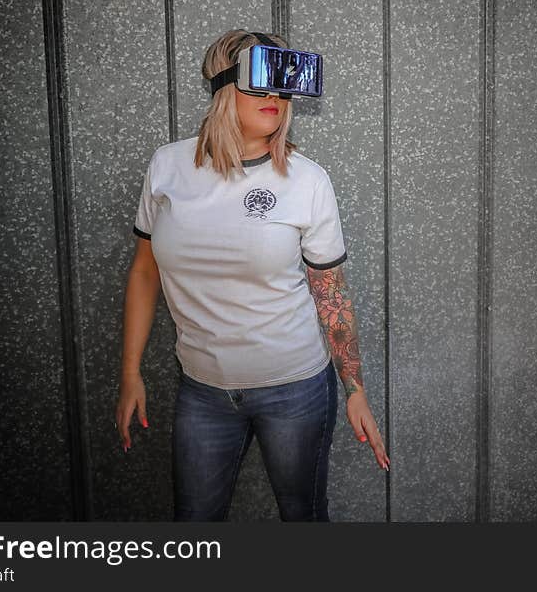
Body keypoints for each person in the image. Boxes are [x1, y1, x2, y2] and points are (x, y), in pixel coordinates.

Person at [115, 29, 389, 522]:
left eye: (284, 86)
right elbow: (143, 271)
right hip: (202, 389)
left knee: (302, 517)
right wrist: (130, 373)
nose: (275, 98)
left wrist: (356, 391)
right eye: (261, 80)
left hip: (294, 389)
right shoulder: (168, 167)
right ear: (224, 86)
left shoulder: (307, 180)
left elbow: (331, 295)